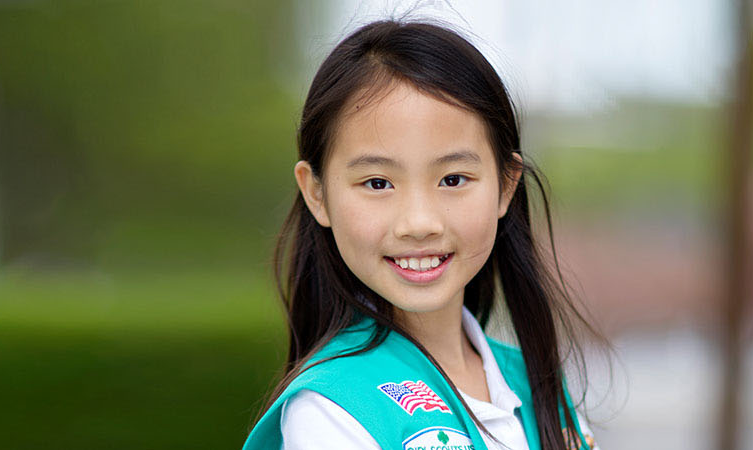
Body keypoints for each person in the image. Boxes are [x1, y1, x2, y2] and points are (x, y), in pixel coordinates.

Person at [241, 20, 598, 450]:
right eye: (377, 183)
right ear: (317, 193)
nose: (419, 222)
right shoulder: (333, 411)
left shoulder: (535, 382)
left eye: (452, 179)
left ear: (506, 185)